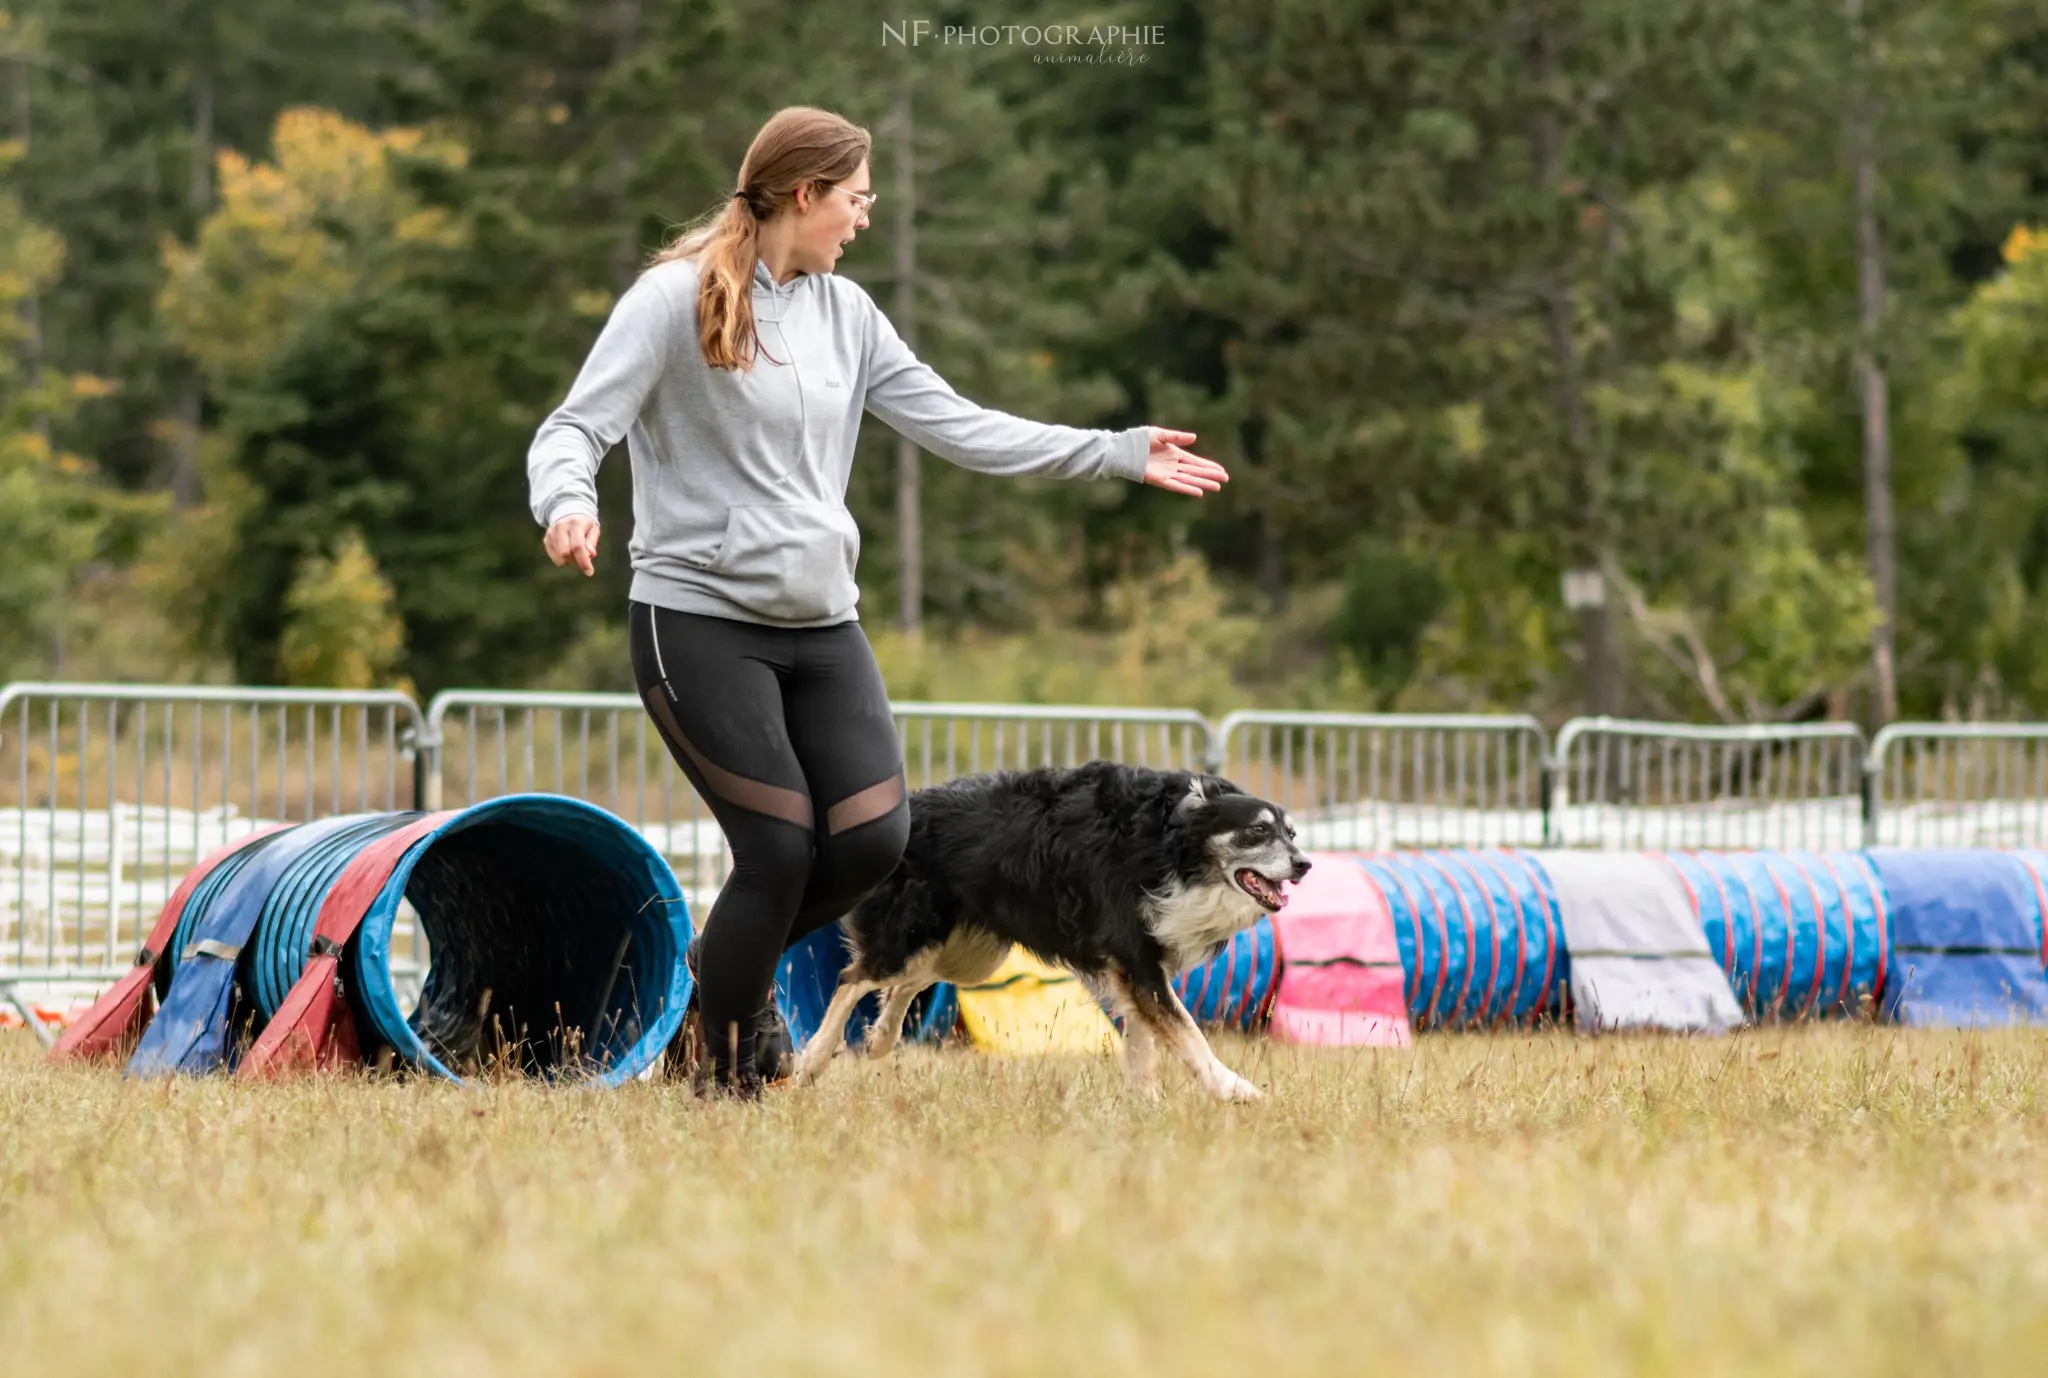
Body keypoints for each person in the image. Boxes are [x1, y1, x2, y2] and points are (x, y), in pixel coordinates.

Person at [527, 105, 1230, 1098]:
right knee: (774, 850)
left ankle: (718, 977)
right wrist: (566, 505)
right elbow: (571, 428)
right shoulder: (669, 301)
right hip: (695, 619)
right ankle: (727, 1070)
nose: (863, 218)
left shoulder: (845, 314)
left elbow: (959, 426)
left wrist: (1112, 449)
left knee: (871, 842)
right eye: (854, 200)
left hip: (820, 625)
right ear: (804, 195)